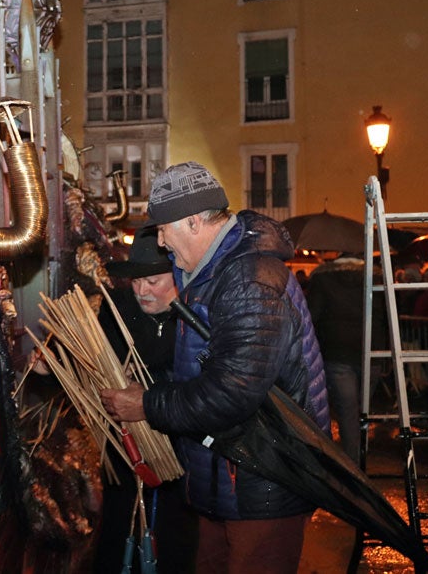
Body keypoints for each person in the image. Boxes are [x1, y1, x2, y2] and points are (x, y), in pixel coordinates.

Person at [99, 161, 330, 574]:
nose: (162, 243)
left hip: (264, 479)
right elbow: (204, 370)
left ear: (191, 222)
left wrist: (148, 404)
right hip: (226, 476)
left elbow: (233, 392)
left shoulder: (248, 279)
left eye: (162, 230)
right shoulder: (211, 274)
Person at [94, 227, 197, 574]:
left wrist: (151, 395)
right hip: (124, 451)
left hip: (181, 452)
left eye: (153, 281)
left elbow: (204, 387)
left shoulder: (195, 316)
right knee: (118, 534)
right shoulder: (116, 309)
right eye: (136, 282)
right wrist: (52, 365)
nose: (141, 291)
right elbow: (91, 363)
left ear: (176, 275)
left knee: (175, 543)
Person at [306, 253, 374, 464]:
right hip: (372, 350)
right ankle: (362, 453)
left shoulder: (322, 281)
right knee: (365, 407)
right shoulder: (376, 279)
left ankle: (352, 461)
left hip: (337, 350)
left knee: (347, 410)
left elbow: (313, 315)